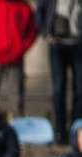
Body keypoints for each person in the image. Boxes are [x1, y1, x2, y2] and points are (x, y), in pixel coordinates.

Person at [36, 0, 82, 144]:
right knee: (58, 90)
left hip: (79, 44)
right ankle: (60, 132)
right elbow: (39, 13)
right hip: (58, 45)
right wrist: (46, 33)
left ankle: (77, 132)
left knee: (80, 90)